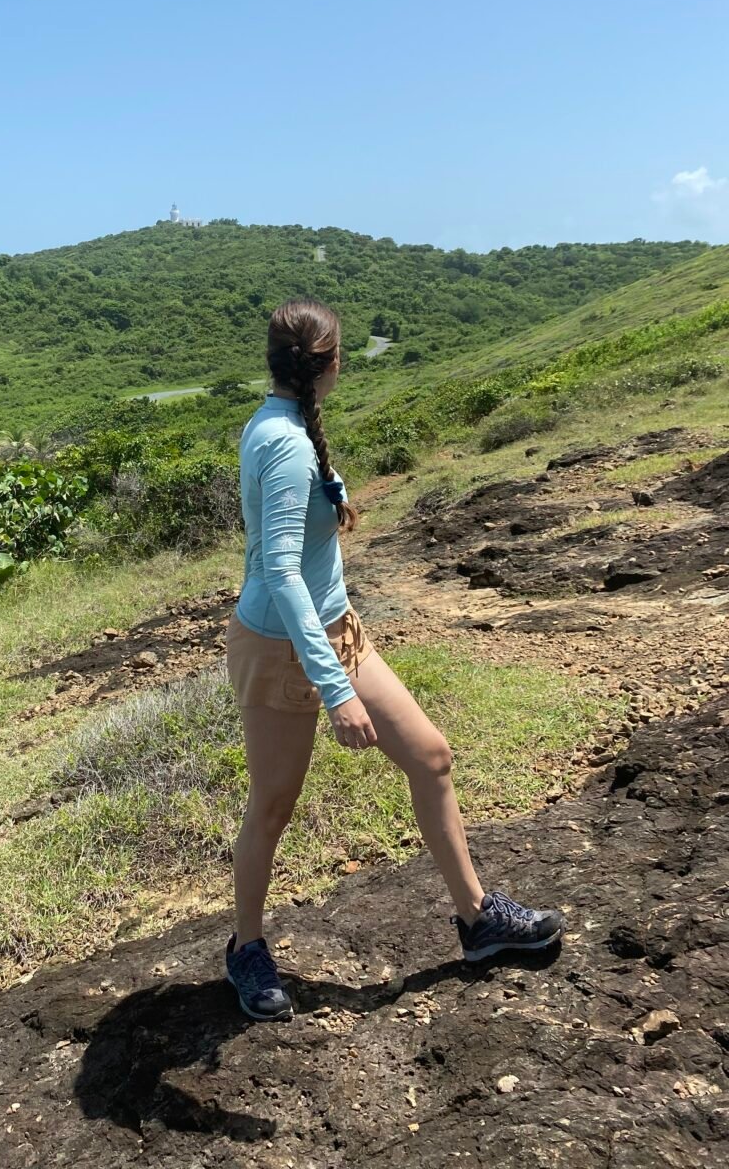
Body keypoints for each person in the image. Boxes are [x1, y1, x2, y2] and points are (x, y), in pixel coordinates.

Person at [224, 298, 563, 1021]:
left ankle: (478, 921)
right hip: (285, 647)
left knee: (431, 757)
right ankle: (245, 947)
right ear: (332, 364)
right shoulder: (283, 441)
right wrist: (335, 691)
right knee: (274, 807)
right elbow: (281, 575)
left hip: (336, 631)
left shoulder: (289, 425)